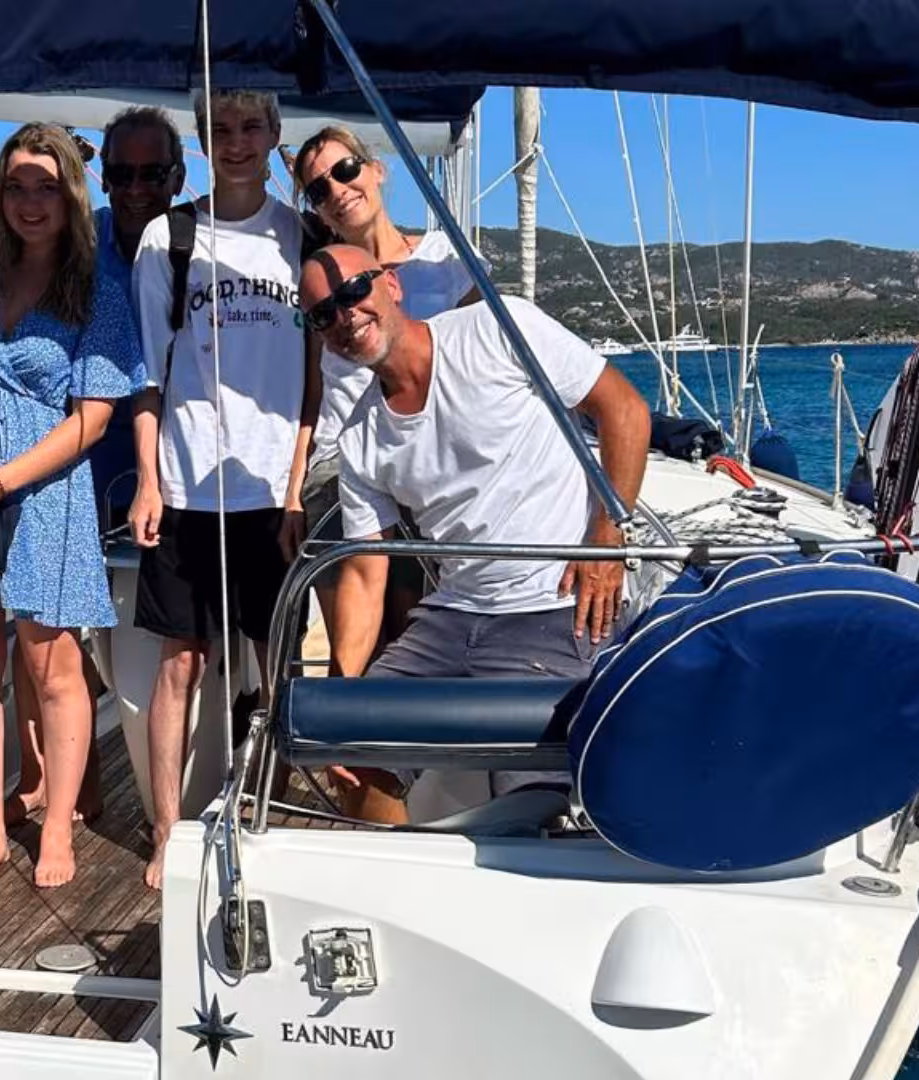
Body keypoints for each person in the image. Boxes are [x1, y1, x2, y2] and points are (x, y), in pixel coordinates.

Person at [0, 107, 185, 825]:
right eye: (16, 187)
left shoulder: (101, 282)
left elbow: (105, 406)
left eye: (46, 186)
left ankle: (65, 820)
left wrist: (7, 480)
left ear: (72, 194)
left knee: (54, 661)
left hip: (52, 481)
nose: (30, 201)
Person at [300, 244, 650, 823]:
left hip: (556, 604)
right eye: (322, 314)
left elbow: (624, 410)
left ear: (391, 284)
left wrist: (605, 544)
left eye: (352, 291)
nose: (343, 316)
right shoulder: (361, 437)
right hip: (451, 616)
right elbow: (366, 574)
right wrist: (345, 695)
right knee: (352, 757)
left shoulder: (494, 329)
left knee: (540, 802)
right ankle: (405, 891)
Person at [130, 89, 318, 888]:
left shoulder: (301, 237)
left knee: (274, 663)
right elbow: (146, 370)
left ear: (275, 137)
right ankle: (168, 831)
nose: (237, 142)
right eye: (221, 130)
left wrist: (298, 483)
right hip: (182, 484)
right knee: (181, 662)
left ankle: (265, 811)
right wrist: (146, 479)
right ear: (202, 142)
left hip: (272, 489)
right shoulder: (166, 237)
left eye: (251, 127)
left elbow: (316, 377)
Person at [288, 127, 483, 651]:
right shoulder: (320, 284)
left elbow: (484, 365)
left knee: (414, 633)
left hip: (427, 460)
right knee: (356, 638)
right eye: (318, 188)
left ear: (376, 170)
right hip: (340, 464)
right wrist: (291, 493)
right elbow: (314, 395)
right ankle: (342, 725)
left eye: (346, 170)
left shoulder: (447, 261)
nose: (337, 190)